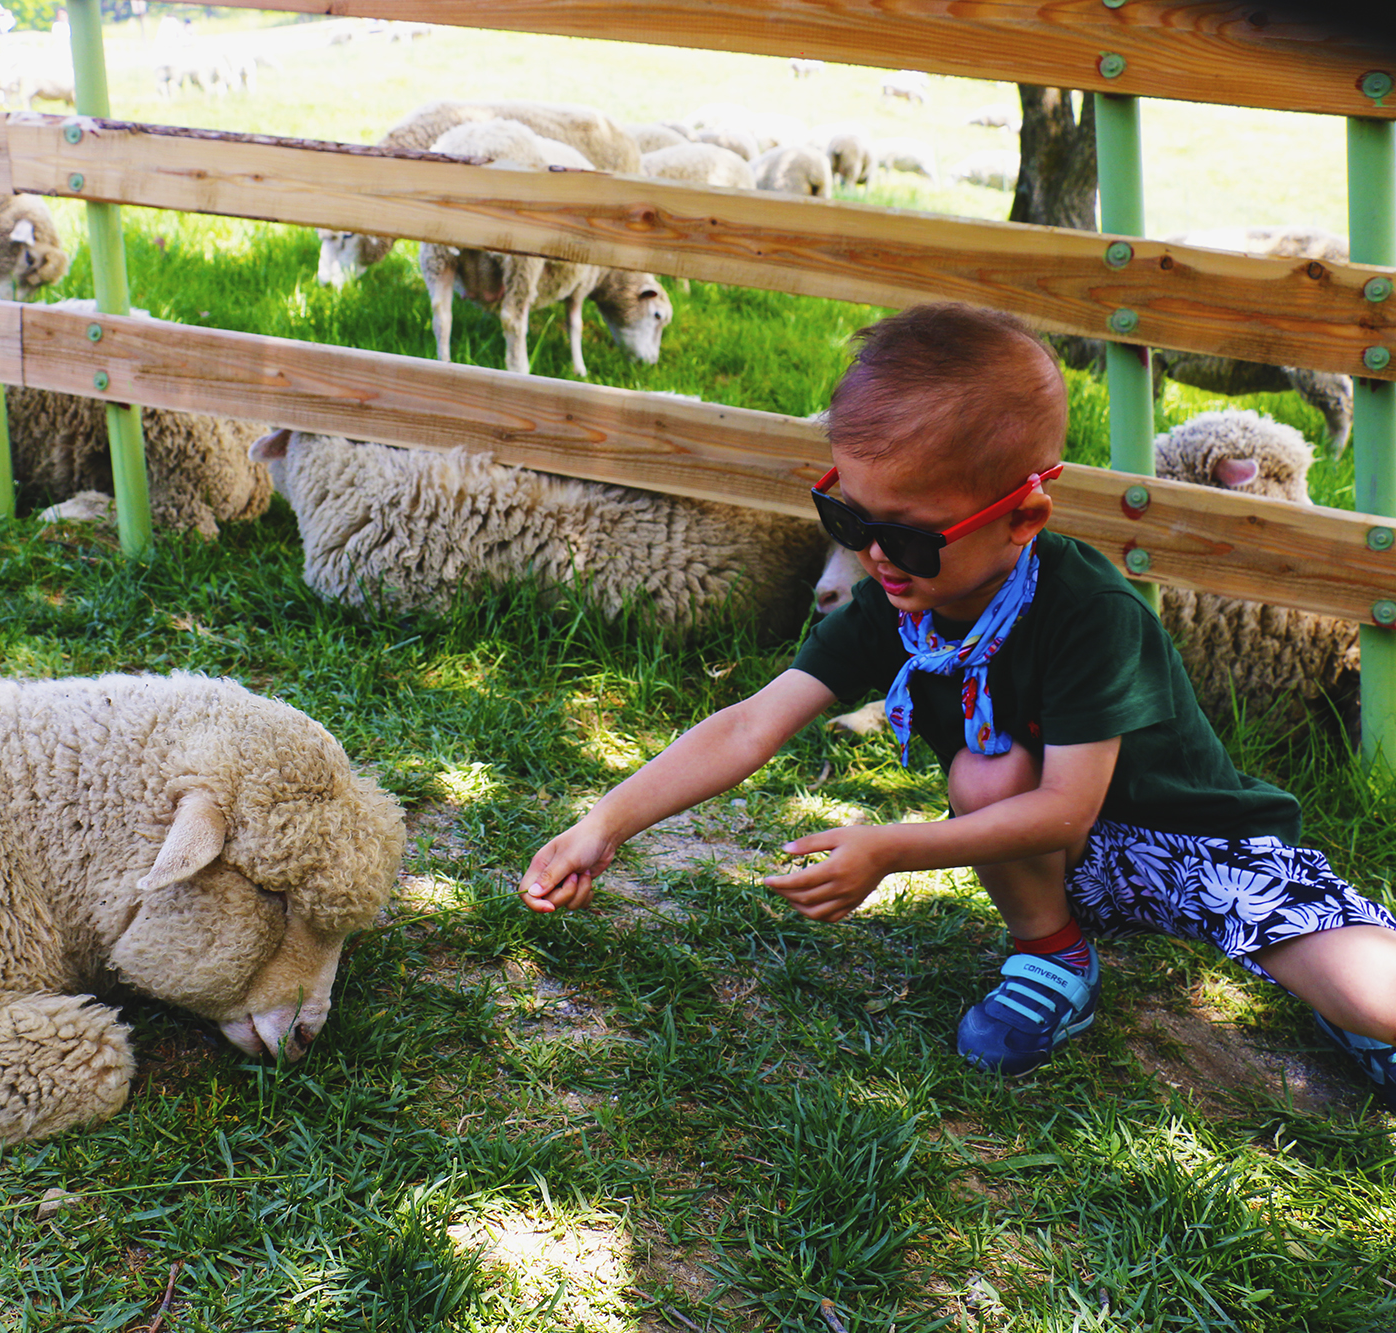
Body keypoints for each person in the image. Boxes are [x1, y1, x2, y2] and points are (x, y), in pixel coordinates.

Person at [517, 302, 1396, 1108]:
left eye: (904, 534)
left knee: (1370, 996)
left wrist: (888, 850)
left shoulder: (1090, 612)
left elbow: (1063, 809)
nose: (874, 556)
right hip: (1065, 853)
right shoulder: (895, 603)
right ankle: (1051, 952)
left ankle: (1350, 1008)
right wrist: (607, 821)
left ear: (1023, 517)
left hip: (1200, 846)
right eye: (847, 518)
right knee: (986, 768)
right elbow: (754, 720)